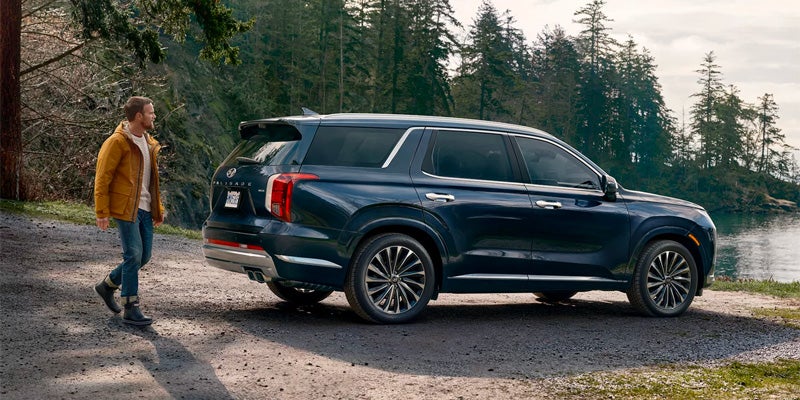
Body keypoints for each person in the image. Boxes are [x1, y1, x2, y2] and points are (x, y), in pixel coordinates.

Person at [93, 96, 165, 326]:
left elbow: (151, 181)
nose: (154, 116)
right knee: (133, 255)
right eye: (150, 113)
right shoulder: (117, 142)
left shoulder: (149, 143)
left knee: (143, 256)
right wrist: (102, 211)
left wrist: (157, 208)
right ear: (138, 116)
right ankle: (130, 306)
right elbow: (102, 177)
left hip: (145, 209)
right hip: (125, 208)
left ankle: (107, 286)